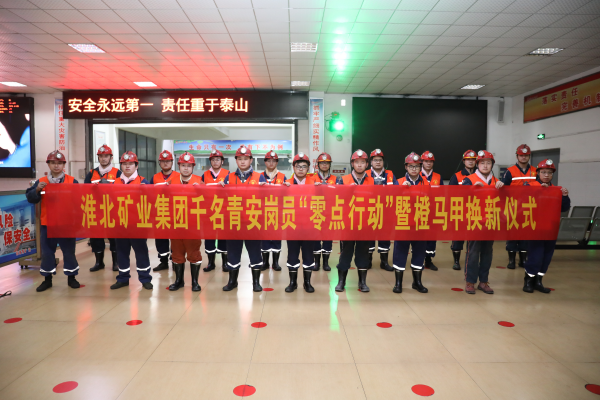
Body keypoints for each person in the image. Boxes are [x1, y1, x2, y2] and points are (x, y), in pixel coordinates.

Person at [26, 150, 81, 292]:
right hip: (47, 224)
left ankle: (72, 278)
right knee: (47, 252)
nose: (56, 166)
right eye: (53, 163)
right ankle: (47, 280)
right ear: (48, 165)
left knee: (69, 251)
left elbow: (80, 200)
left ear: (64, 165)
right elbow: (30, 197)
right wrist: (37, 190)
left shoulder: (72, 181)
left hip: (66, 224)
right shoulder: (41, 181)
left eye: (59, 163)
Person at [221, 146, 267, 292]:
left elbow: (267, 200)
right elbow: (222, 200)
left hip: (253, 222)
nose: (242, 161)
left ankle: (256, 282)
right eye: (239, 159)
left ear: (251, 160)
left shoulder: (259, 177)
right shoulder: (228, 178)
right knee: (233, 253)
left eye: (245, 159)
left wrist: (266, 189)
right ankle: (232, 281)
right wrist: (219, 189)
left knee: (255, 253)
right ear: (236, 160)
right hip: (234, 222)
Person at [522, 159, 570, 293]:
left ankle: (538, 281)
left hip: (550, 229)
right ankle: (528, 281)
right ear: (538, 173)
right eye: (543, 172)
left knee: (546, 257)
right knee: (535, 256)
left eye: (549, 172)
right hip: (535, 228)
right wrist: (539, 191)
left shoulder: (556, 190)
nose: (547, 175)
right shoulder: (529, 186)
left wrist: (565, 196)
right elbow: (522, 202)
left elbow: (564, 208)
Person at [462, 150, 505, 295]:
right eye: (482, 163)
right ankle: (470, 281)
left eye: (488, 163)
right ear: (477, 164)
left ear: (492, 165)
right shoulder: (469, 179)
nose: (485, 166)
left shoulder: (497, 181)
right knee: (473, 253)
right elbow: (459, 198)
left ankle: (483, 281)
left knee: (487, 253)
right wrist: (471, 189)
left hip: (491, 222)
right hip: (474, 222)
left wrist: (503, 189)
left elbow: (504, 202)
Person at [111, 151, 153, 290]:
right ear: (121, 166)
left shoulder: (143, 182)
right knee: (122, 252)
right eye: (124, 164)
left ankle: (145, 278)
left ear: (136, 165)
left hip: (138, 225)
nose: (127, 166)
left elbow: (152, 202)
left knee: (141, 252)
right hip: (120, 224)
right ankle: (122, 278)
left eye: (130, 163)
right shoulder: (115, 182)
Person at [335, 149, 374, 293]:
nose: (359, 165)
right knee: (346, 252)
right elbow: (336, 199)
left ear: (367, 164)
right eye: (357, 162)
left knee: (363, 253)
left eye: (362, 162)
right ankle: (341, 282)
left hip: (365, 223)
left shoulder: (372, 181)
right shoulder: (343, 180)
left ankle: (362, 282)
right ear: (352, 164)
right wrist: (346, 192)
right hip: (348, 224)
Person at [391, 152, 429, 294]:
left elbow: (432, 201)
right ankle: (398, 283)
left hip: (420, 224)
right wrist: (401, 189)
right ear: (406, 167)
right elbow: (391, 201)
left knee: (419, 253)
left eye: (417, 166)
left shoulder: (426, 183)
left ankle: (417, 282)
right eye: (411, 166)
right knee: (400, 252)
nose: (414, 169)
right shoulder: (398, 182)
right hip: (403, 223)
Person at [169, 152, 204, 292]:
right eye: (183, 165)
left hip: (193, 225)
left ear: (193, 167)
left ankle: (195, 282)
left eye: (189, 166)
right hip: (176, 224)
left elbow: (209, 200)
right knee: (177, 254)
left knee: (194, 253)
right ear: (179, 166)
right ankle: (179, 281)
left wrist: (202, 190)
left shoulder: (199, 182)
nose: (186, 168)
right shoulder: (171, 181)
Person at [282, 153, 316, 293]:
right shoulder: (286, 183)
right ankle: (293, 282)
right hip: (292, 226)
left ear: (308, 168)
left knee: (308, 255)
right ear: (293, 167)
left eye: (304, 166)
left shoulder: (315, 183)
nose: (301, 169)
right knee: (292, 255)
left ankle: (307, 283)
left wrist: (321, 189)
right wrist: (282, 190)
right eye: (298, 166)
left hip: (309, 226)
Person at [84, 144, 121, 272]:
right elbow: (84, 191)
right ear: (98, 158)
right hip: (96, 211)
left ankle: (116, 263)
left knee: (114, 237)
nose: (103, 158)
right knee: (96, 237)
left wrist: (109, 187)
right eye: (101, 156)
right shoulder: (91, 173)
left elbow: (122, 191)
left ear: (111, 157)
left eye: (106, 156)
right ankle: (99, 262)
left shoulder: (118, 173)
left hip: (112, 211)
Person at [502, 144, 537, 269]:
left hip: (529, 209)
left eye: (526, 155)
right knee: (512, 235)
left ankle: (523, 260)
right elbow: (503, 190)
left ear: (529, 156)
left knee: (526, 236)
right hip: (513, 208)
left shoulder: (536, 171)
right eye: (521, 155)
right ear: (517, 156)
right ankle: (511, 261)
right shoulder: (510, 171)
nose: (524, 157)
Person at [149, 150, 180, 272]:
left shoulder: (178, 176)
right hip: (160, 212)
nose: (165, 163)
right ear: (159, 163)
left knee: (176, 238)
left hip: (175, 213)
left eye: (168, 161)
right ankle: (163, 262)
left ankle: (176, 261)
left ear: (172, 162)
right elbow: (149, 195)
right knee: (161, 238)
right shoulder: (154, 178)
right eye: (163, 161)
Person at [311, 152, 341, 271]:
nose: (324, 165)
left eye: (327, 163)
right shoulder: (312, 178)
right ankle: (316, 263)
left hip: (329, 212)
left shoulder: (336, 179)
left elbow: (339, 194)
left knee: (328, 238)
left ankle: (326, 263)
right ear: (318, 165)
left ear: (330, 165)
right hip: (316, 212)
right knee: (316, 238)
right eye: (322, 163)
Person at [367, 149, 396, 272]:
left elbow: (396, 190)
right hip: (370, 211)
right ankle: (368, 261)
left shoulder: (390, 174)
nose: (378, 162)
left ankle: (384, 262)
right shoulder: (366, 174)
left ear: (383, 162)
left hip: (386, 211)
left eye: (380, 160)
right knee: (369, 237)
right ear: (371, 162)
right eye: (375, 160)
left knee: (385, 237)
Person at [449, 150, 477, 270]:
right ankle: (456, 261)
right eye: (468, 159)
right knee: (458, 237)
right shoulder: (456, 176)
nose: (470, 162)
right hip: (460, 211)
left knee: (474, 238)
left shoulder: (480, 175)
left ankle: (472, 261)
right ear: (464, 161)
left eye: (473, 159)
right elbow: (450, 194)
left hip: (476, 211)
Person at [202, 149, 229, 272]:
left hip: (223, 211)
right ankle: (211, 263)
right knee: (209, 237)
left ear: (222, 161)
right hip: (209, 212)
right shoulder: (205, 175)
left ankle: (225, 263)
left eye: (218, 159)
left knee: (223, 236)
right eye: (213, 160)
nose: (215, 162)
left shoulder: (228, 174)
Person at [260, 151, 286, 272]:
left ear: (277, 162)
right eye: (269, 161)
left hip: (277, 212)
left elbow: (287, 194)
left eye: (273, 161)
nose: (271, 163)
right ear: (265, 162)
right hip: (263, 212)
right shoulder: (259, 176)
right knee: (264, 238)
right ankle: (265, 262)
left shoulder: (282, 176)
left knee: (276, 238)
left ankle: (275, 263)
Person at [420, 150, 443, 271]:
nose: (428, 163)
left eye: (430, 161)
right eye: (426, 161)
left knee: (431, 236)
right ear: (422, 162)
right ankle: (418, 260)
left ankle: (428, 261)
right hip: (419, 211)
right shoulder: (416, 174)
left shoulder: (438, 177)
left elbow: (443, 194)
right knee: (419, 236)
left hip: (433, 211)